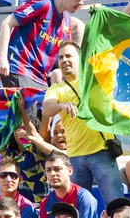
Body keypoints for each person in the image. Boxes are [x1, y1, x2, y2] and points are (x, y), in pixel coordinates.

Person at [43, 42, 124, 204]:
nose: (64, 60)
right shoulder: (56, 89)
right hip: (75, 157)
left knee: (116, 204)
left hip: (102, 152)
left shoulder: (95, 79)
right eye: (60, 57)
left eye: (68, 56)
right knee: (75, 209)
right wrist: (60, 105)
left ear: (80, 59)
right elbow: (46, 109)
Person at [0, 0, 87, 88]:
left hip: (40, 79)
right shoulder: (42, 5)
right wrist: (3, 58)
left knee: (48, 105)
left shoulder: (67, 22)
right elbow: (7, 22)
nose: (81, 3)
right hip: (20, 69)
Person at [39, 151, 98, 218]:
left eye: (57, 169)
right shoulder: (45, 202)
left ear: (70, 171)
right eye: (48, 170)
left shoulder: (83, 196)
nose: (53, 174)